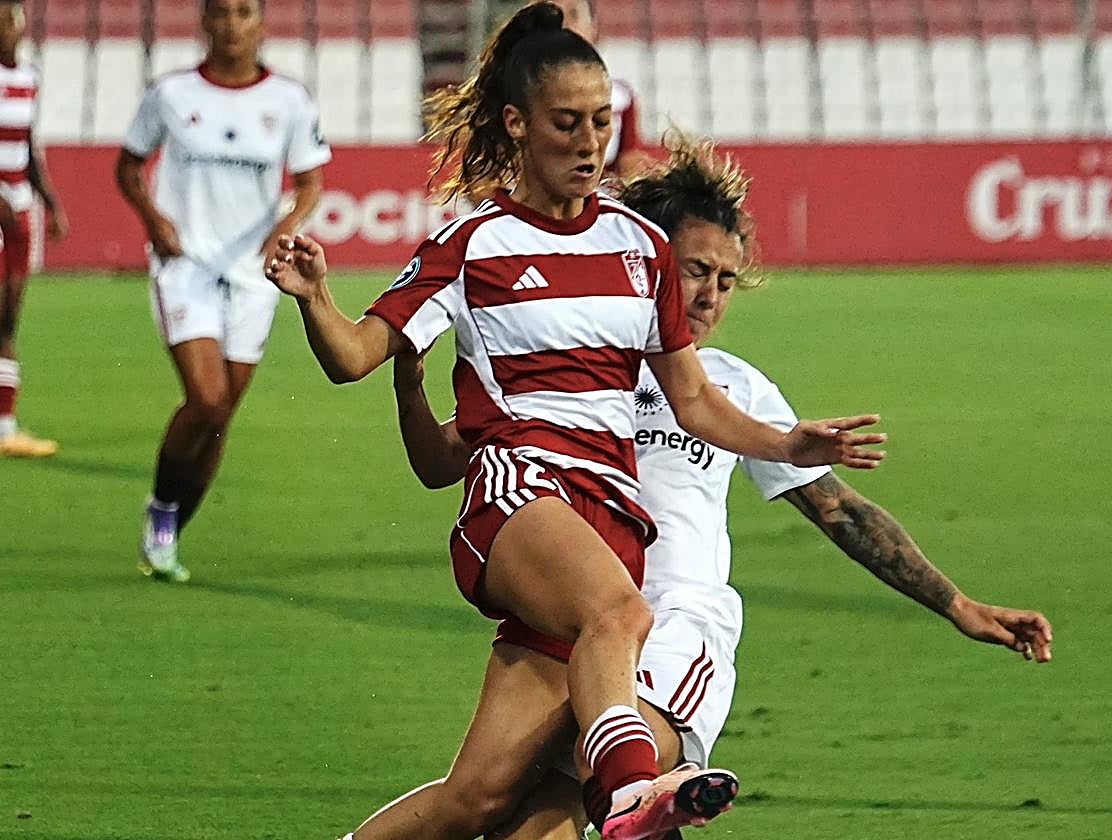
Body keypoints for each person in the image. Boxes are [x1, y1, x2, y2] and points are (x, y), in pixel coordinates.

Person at [264, 5, 884, 839]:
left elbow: (693, 399)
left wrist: (786, 442)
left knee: (477, 799)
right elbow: (354, 355)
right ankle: (629, 789)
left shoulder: (640, 246)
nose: (591, 144)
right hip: (518, 495)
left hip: (608, 519)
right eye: (568, 124)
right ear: (518, 126)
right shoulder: (470, 244)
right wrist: (315, 301)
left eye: (602, 122)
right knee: (622, 617)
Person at [362, 133, 1055, 840]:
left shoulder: (731, 385)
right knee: (476, 803)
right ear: (647, 260)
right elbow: (446, 459)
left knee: (581, 788)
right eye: (696, 270)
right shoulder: (572, 359)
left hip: (673, 626)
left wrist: (957, 603)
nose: (710, 295)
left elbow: (839, 510)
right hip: (565, 619)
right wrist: (409, 388)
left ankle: (645, 796)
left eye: (726, 280)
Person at [115, 0, 329, 583]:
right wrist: (155, 222)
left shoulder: (288, 100)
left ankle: (171, 531)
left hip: (253, 272)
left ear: (260, 23)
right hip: (185, 264)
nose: (233, 24)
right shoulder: (171, 94)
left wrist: (285, 226)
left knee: (221, 415)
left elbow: (310, 180)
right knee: (207, 399)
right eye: (222, 13)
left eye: (244, 12)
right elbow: (128, 167)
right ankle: (161, 510)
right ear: (204, 22)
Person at [0, 0, 68, 458]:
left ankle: (5, 428)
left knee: (8, 319)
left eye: (14, 18)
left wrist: (49, 200)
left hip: (19, 211)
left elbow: (27, 145)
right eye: (5, 18)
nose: (12, 27)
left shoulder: (28, 77)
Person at [554, 0, 650, 177]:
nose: (565, 25)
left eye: (574, 15)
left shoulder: (620, 97)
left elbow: (629, 161)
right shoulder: (520, 91)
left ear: (593, 27)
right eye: (555, 16)